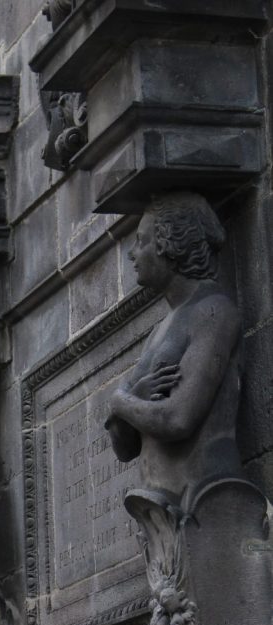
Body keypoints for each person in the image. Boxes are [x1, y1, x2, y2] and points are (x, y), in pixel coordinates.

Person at [105, 192, 244, 508]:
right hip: (164, 505)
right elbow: (123, 446)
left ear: (170, 245)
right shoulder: (160, 331)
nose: (132, 253)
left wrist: (120, 400)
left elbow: (178, 419)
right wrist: (128, 402)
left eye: (141, 241)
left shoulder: (213, 312)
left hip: (207, 500)